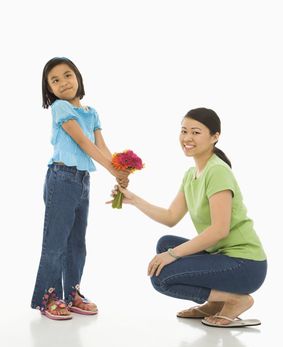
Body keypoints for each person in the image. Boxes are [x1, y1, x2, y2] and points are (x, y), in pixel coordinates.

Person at [109, 108, 267, 328]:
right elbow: (171, 217)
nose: (187, 138)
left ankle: (235, 299)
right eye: (184, 131)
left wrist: (172, 255)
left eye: (195, 132)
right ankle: (215, 302)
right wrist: (134, 199)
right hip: (222, 256)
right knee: (165, 243)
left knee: (161, 278)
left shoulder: (217, 172)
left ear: (215, 136)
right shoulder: (191, 175)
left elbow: (220, 230)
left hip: (245, 265)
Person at [31, 57, 129, 320]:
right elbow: (84, 144)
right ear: (49, 88)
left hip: (83, 179)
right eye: (55, 80)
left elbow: (102, 146)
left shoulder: (92, 112)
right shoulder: (60, 108)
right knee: (55, 243)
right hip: (61, 178)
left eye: (67, 75)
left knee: (77, 242)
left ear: (78, 77)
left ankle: (71, 294)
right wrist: (112, 168)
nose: (63, 83)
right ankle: (48, 298)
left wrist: (118, 170)